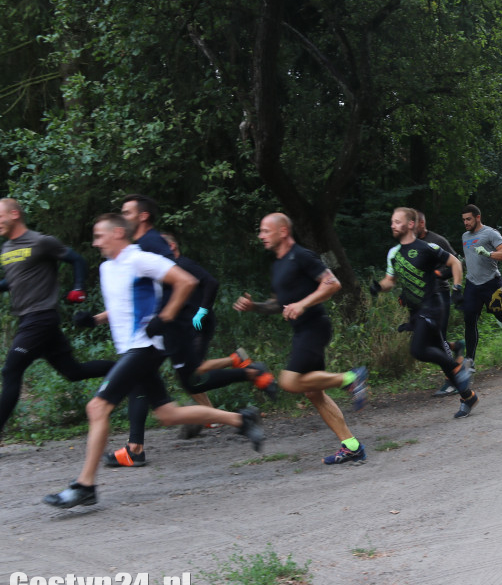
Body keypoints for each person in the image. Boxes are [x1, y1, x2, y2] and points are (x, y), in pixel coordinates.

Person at [43, 213, 263, 508]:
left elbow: (185, 281)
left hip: (145, 346)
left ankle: (85, 485)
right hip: (130, 349)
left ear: (118, 233)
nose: (95, 242)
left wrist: (165, 317)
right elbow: (121, 308)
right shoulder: (108, 267)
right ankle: (240, 418)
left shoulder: (140, 259)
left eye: (99, 236)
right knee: (168, 414)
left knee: (97, 407)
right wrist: (93, 320)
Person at [233, 213, 369, 466]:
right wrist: (254, 306)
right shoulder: (278, 264)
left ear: (283, 231)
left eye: (265, 231)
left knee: (289, 381)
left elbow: (332, 284)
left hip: (314, 327)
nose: (261, 236)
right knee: (314, 393)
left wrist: (303, 304)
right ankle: (351, 446)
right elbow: (277, 303)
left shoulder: (302, 256)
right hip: (303, 330)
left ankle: (351, 378)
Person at [0, 198, 114, 444]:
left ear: (15, 214)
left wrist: (78, 287)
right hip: (29, 320)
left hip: (40, 317)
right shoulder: (6, 249)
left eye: (0, 216)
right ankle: (124, 368)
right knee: (73, 372)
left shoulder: (41, 242)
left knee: (11, 369)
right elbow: (15, 280)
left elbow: (77, 260)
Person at [160, 233, 278, 441]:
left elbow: (211, 282)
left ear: (171, 246)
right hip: (187, 325)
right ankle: (209, 412)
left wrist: (202, 311)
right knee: (190, 374)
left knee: (192, 373)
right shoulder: (169, 270)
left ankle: (242, 370)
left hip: (196, 324)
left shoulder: (181, 263)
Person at [371, 208, 478, 419]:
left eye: (397, 221)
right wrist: (378, 287)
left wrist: (457, 289)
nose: (393, 225)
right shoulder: (394, 253)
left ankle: (459, 369)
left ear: (411, 224)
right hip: (416, 311)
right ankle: (468, 396)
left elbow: (455, 263)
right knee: (441, 353)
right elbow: (390, 281)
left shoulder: (427, 247)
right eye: (392, 222)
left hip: (434, 306)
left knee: (418, 349)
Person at [460, 204, 502, 364]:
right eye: (463, 220)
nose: (466, 223)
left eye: (468, 219)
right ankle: (470, 360)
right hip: (472, 284)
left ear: (478, 217)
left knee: (501, 315)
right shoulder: (464, 236)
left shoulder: (490, 233)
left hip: (491, 283)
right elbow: (470, 259)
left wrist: (489, 253)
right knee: (469, 320)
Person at [415, 212, 462, 397]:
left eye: (414, 223)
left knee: (438, 338)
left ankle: (453, 380)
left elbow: (455, 263)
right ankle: (456, 347)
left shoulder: (437, 240)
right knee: (432, 340)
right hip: (422, 297)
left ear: (421, 223)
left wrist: (438, 273)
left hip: (439, 294)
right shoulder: (411, 244)